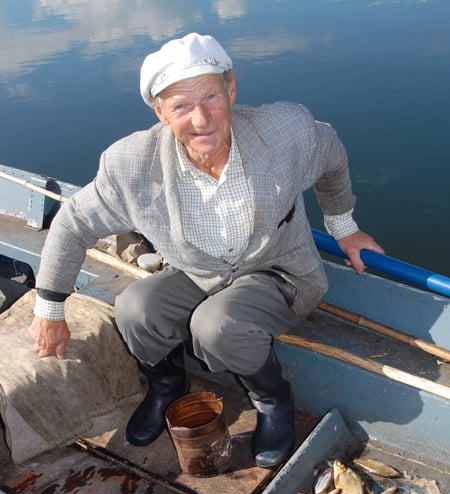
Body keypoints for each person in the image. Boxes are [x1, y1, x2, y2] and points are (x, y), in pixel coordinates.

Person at [29, 32, 384, 469]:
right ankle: (166, 387)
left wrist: (343, 225)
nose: (201, 119)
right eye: (180, 106)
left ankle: (272, 400)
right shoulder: (131, 165)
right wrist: (50, 309)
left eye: (211, 96)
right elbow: (73, 223)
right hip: (199, 270)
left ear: (231, 88)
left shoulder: (285, 131)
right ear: (159, 112)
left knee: (216, 326)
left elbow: (332, 153)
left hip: (278, 271)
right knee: (136, 308)